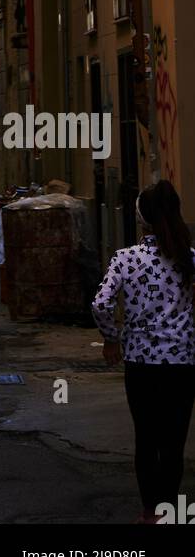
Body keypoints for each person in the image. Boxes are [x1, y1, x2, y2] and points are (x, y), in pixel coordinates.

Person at [92, 180, 195, 524]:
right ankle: (167, 510)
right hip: (183, 362)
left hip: (141, 362)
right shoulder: (188, 258)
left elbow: (102, 303)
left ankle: (150, 511)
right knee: (174, 441)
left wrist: (111, 338)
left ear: (141, 219)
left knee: (147, 437)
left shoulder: (125, 259)